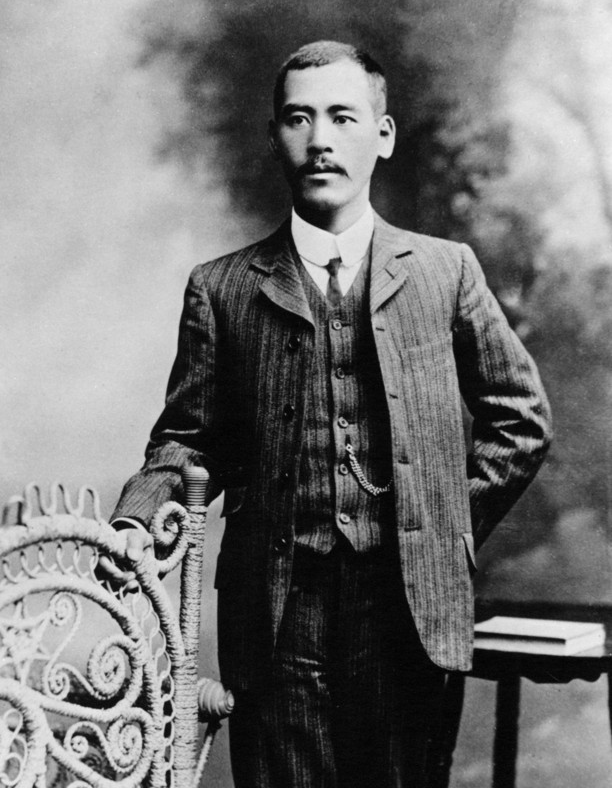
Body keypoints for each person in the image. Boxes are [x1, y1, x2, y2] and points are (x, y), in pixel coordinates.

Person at [112, 41, 552, 788]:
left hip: (409, 614)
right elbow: (186, 439)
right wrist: (136, 519)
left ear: (382, 135)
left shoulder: (445, 271)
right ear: (274, 137)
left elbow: (522, 418)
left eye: (342, 117)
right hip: (276, 615)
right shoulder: (222, 288)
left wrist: (439, 528)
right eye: (299, 118)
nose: (320, 139)